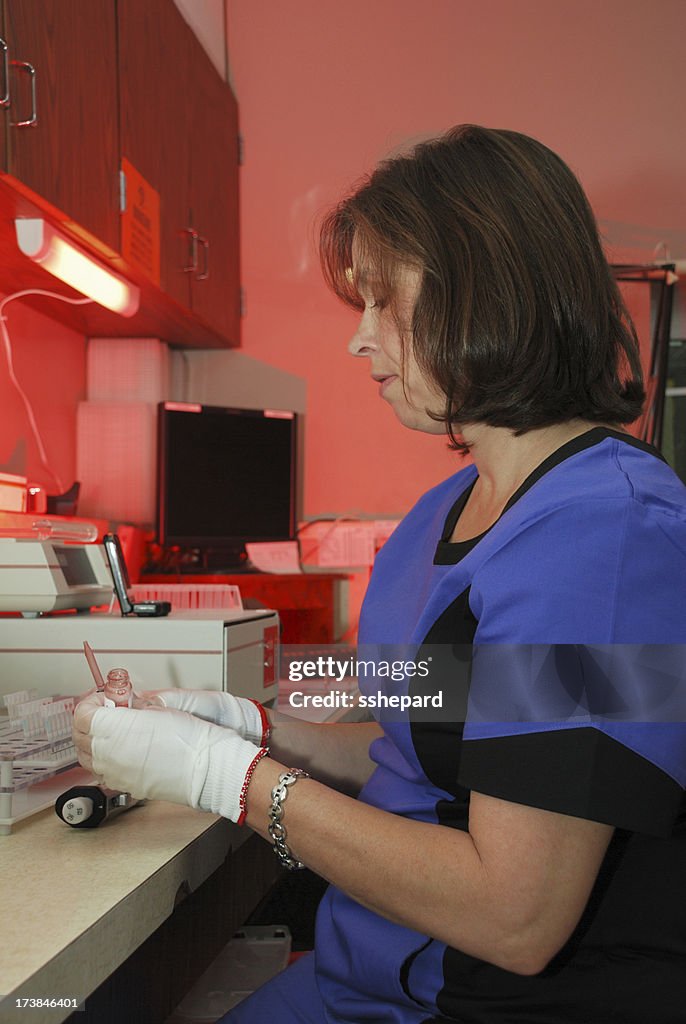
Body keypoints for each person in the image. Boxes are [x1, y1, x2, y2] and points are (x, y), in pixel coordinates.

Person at [74, 125, 686, 1024]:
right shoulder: (437, 520)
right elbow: (433, 747)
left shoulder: (610, 540)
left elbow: (515, 914)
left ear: (485, 295)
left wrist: (229, 779)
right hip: (360, 975)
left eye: (380, 303)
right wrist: (259, 730)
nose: (359, 342)